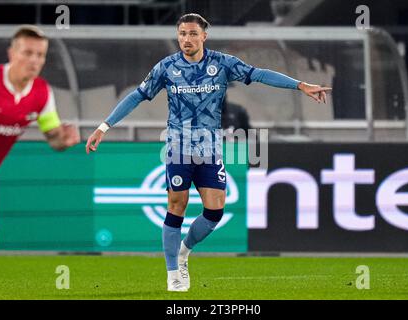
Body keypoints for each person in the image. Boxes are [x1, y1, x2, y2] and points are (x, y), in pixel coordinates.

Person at [86, 13, 331, 292]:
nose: (186, 39)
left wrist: (300, 85)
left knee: (215, 211)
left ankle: (184, 251)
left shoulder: (222, 63)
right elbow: (137, 96)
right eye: (181, 34)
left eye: (192, 34)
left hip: (210, 149)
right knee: (176, 204)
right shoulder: (166, 67)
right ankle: (172, 274)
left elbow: (259, 74)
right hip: (178, 146)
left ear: (204, 36)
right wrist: (104, 126)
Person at [0, 25, 80, 251]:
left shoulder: (41, 93)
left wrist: (64, 140)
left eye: (40, 55)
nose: (34, 60)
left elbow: (53, 138)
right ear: (12, 53)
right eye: (27, 53)